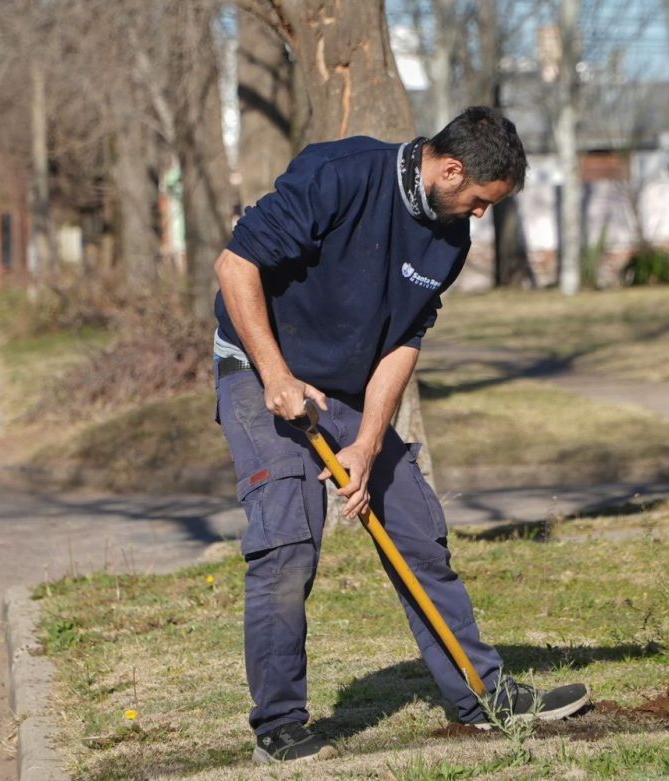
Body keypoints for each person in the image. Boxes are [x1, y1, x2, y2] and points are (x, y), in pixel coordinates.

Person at [212, 106, 590, 764]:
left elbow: (402, 343)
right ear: (451, 169)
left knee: (416, 526)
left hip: (350, 387)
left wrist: (366, 444)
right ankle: (280, 724)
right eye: (478, 200)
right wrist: (275, 375)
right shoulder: (340, 176)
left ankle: (481, 696)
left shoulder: (448, 239)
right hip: (259, 367)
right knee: (286, 537)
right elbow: (235, 264)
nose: (478, 215)